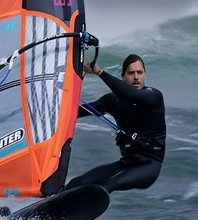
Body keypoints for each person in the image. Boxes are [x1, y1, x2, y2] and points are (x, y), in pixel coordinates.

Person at [65, 54, 166, 193]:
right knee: (77, 183)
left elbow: (131, 95)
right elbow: (76, 112)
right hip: (126, 163)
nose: (136, 77)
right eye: (131, 73)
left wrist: (100, 72)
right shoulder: (112, 101)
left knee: (106, 187)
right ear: (123, 77)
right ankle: (50, 204)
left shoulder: (153, 97)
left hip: (149, 165)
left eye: (140, 72)